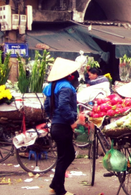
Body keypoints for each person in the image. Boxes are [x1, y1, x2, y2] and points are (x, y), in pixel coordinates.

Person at [43, 58, 81, 195]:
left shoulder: (52, 86)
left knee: (66, 155)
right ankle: (60, 190)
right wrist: (71, 122)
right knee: (65, 156)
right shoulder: (65, 87)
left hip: (56, 125)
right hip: (63, 126)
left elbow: (47, 107)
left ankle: (55, 184)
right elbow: (64, 105)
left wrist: (53, 118)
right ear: (70, 76)